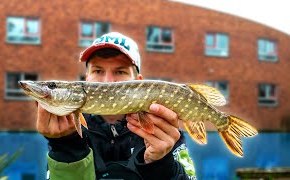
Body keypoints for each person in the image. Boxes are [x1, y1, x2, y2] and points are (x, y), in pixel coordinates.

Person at [37, 32, 196, 180]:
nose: (107, 81)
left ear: (138, 82)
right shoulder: (71, 131)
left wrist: (162, 165)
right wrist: (66, 149)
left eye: (120, 72)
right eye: (98, 71)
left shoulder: (164, 132)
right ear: (86, 79)